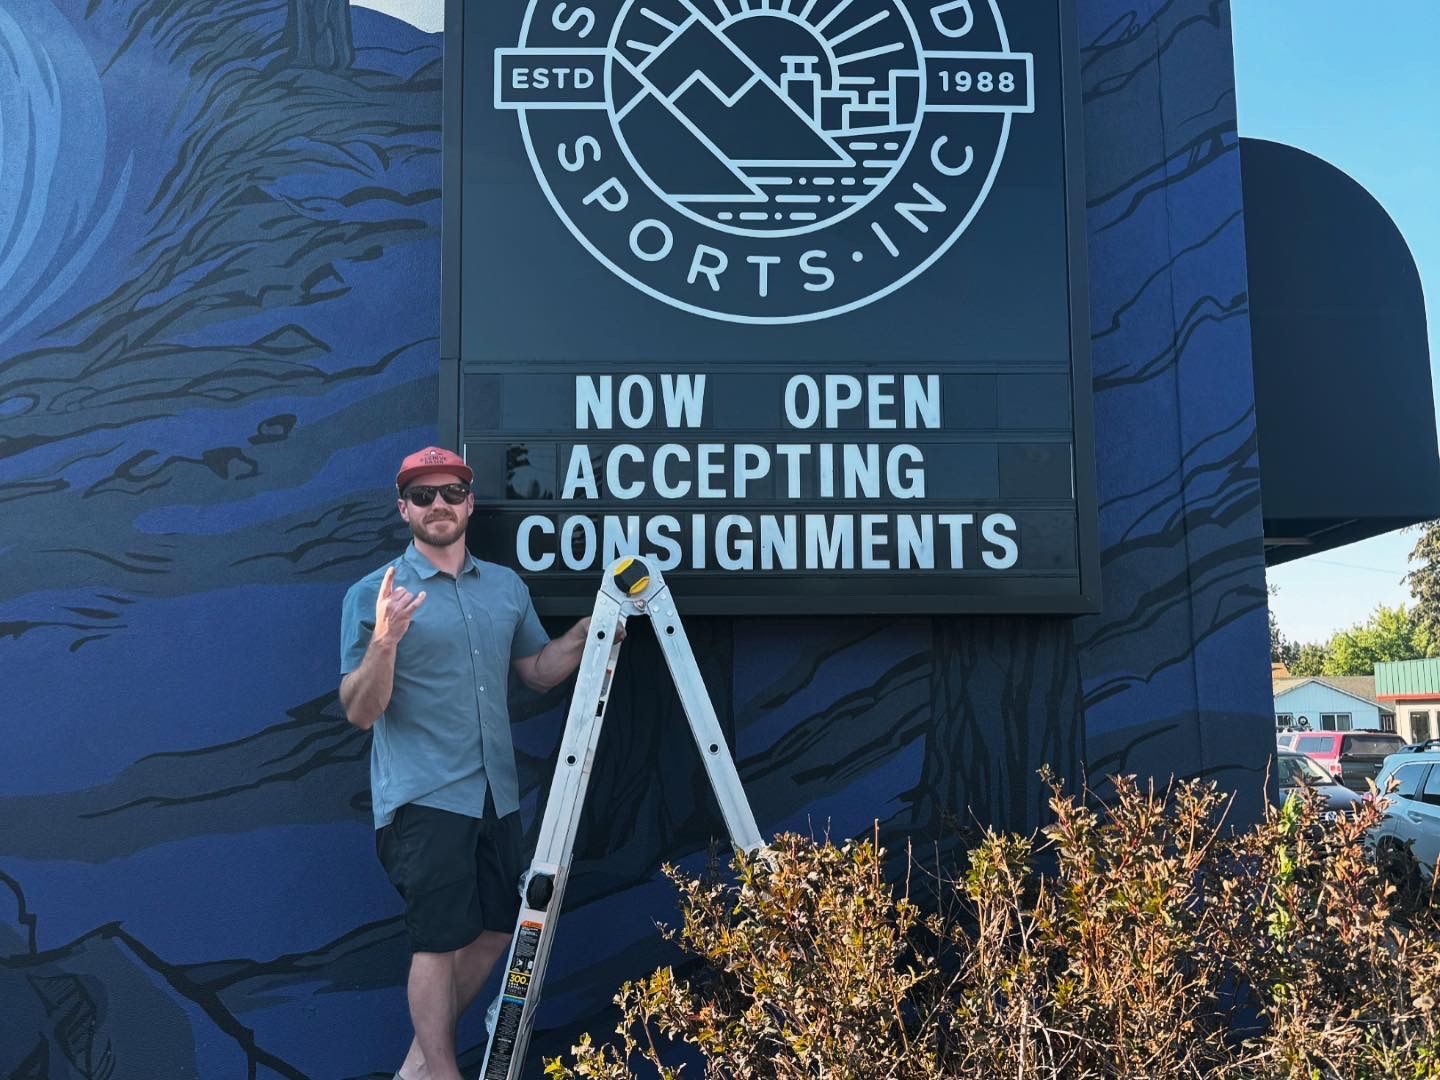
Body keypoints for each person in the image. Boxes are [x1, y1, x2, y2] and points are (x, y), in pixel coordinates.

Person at [339, 446, 595, 1080]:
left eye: (450, 492)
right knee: (437, 940)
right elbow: (360, 710)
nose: (439, 506)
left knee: (494, 934)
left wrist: (583, 637)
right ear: (404, 509)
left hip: (495, 797)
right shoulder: (374, 594)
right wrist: (384, 642)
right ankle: (445, 1073)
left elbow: (537, 672)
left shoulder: (505, 587)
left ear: (470, 503)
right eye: (423, 496)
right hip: (424, 799)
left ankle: (419, 1067)